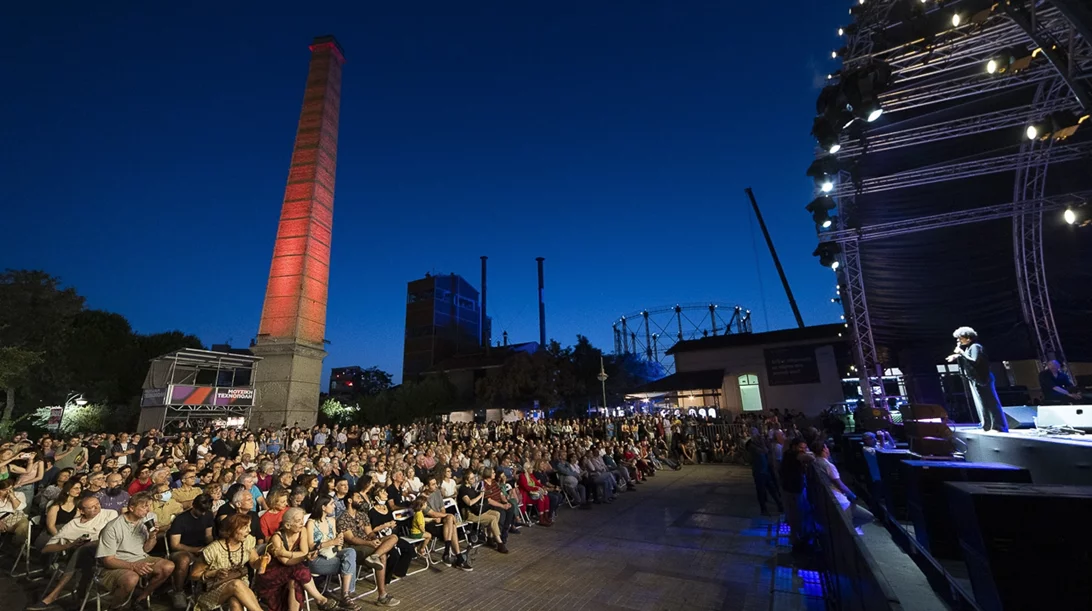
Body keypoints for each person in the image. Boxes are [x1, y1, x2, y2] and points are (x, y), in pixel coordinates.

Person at [28, 496, 117, 611]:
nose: (97, 508)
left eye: (98, 504)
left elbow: (110, 536)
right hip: (84, 558)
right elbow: (46, 549)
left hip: (106, 552)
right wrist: (69, 545)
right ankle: (79, 595)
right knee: (81, 551)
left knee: (83, 549)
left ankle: (54, 594)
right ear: (81, 511)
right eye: (91, 507)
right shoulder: (73, 524)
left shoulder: (110, 514)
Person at [95, 492, 177, 608]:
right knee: (131, 578)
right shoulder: (112, 527)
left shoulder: (146, 519)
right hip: (117, 563)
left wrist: (152, 536)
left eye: (149, 506)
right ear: (131, 508)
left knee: (168, 566)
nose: (148, 510)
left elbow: (146, 549)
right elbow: (108, 561)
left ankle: (141, 598)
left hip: (140, 557)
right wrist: (133, 566)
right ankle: (116, 607)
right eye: (144, 507)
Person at [253, 507, 339, 611]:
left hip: (292, 570)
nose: (302, 523)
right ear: (287, 525)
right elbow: (286, 561)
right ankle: (320, 599)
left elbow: (304, 552)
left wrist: (286, 553)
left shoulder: (302, 531)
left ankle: (319, 600)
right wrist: (301, 556)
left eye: (302, 519)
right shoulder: (276, 538)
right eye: (298, 521)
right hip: (272, 573)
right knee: (299, 569)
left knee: (295, 582)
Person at [190, 513, 269, 611]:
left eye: (249, 527)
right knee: (236, 584)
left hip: (240, 584)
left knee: (235, 602)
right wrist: (214, 573)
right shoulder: (213, 550)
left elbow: (254, 563)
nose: (249, 530)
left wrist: (261, 561)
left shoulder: (247, 541)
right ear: (232, 529)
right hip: (212, 588)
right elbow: (194, 575)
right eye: (245, 528)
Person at [946, 327, 1008, 432]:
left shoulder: (976, 347)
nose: (958, 340)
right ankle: (986, 425)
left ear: (968, 338)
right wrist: (958, 356)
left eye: (960, 338)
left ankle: (999, 426)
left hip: (983, 378)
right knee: (982, 404)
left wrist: (961, 353)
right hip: (976, 379)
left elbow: (974, 361)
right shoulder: (969, 348)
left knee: (991, 403)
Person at [307, 496, 357, 606]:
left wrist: (339, 541)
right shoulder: (311, 523)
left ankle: (346, 595)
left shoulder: (332, 521)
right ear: (323, 507)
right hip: (317, 558)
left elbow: (337, 548)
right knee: (349, 563)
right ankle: (347, 595)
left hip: (331, 554)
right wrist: (330, 542)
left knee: (351, 552)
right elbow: (311, 546)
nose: (334, 506)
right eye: (331, 504)